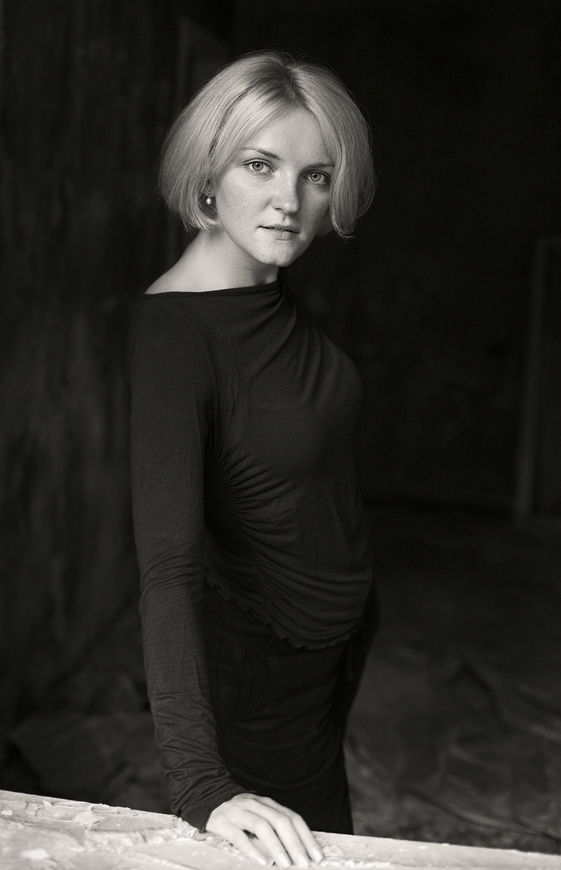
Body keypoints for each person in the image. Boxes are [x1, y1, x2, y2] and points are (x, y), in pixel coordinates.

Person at [127, 50, 378, 867]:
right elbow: (167, 569)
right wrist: (202, 786)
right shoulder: (174, 336)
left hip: (330, 646)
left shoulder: (261, 278)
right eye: (259, 165)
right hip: (262, 672)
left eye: (315, 176)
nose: (289, 200)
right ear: (208, 172)